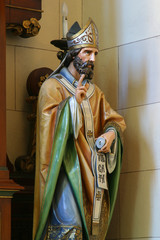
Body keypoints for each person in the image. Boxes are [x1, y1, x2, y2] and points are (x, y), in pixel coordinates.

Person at [33, 18, 126, 240]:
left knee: (92, 230)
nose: (93, 59)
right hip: (65, 171)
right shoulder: (52, 87)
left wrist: (111, 133)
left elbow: (114, 120)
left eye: (95, 53)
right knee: (69, 226)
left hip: (92, 170)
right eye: (87, 52)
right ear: (72, 54)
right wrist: (73, 104)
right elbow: (50, 133)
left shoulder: (96, 92)